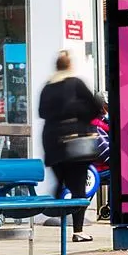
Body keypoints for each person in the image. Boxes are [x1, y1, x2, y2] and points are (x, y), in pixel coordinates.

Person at [39, 51, 101, 243]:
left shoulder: (47, 87)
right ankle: (78, 230)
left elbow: (42, 112)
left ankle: (57, 210)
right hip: (76, 143)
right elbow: (95, 108)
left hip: (52, 141)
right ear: (70, 66)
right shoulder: (75, 83)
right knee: (78, 187)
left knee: (61, 181)